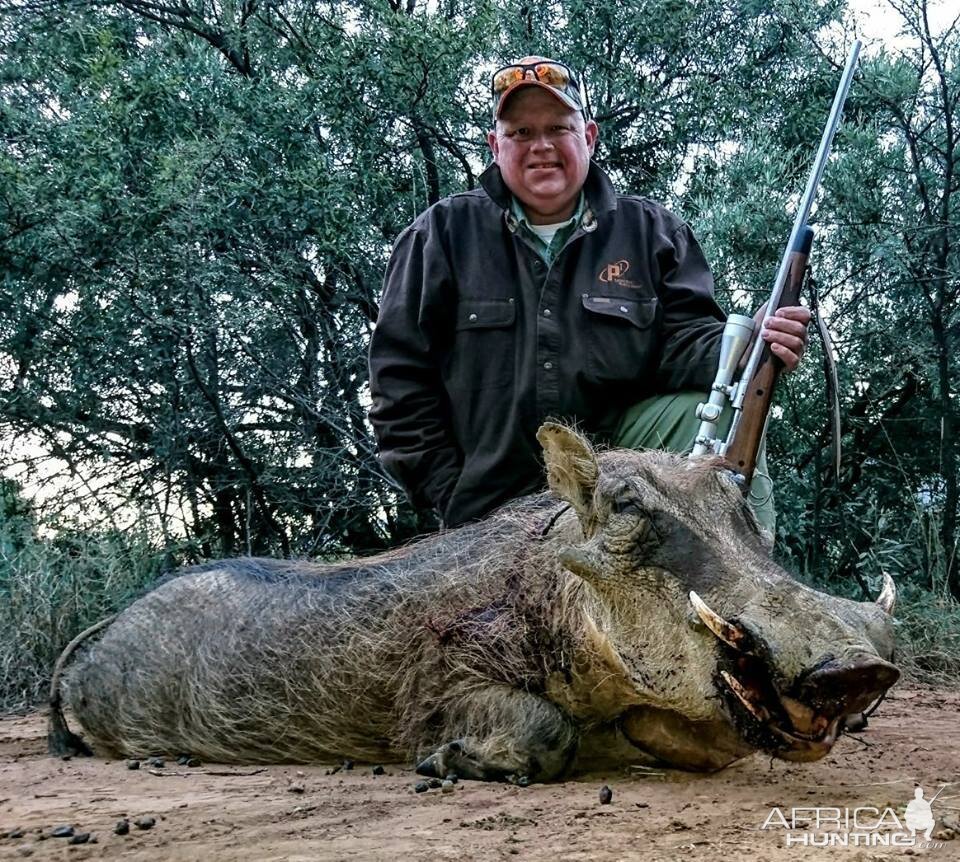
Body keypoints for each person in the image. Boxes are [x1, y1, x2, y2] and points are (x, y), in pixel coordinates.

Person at [368, 56, 810, 531]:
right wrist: (449, 495)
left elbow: (685, 344)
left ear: (589, 137)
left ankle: (749, 586)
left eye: (558, 128)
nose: (541, 147)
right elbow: (399, 384)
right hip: (488, 504)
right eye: (521, 133)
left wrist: (752, 347)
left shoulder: (653, 232)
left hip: (621, 480)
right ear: (496, 146)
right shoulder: (438, 235)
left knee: (716, 417)